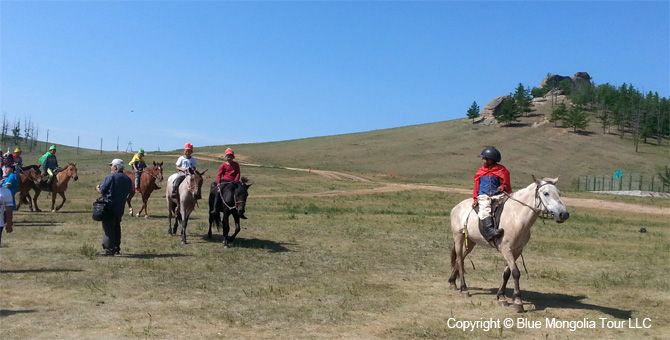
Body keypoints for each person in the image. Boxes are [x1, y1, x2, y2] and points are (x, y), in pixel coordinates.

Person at [471, 147, 512, 242]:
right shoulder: (480, 171)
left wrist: (503, 187)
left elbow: (506, 183)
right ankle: (490, 230)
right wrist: (475, 199)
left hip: (498, 195)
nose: (483, 160)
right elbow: (476, 186)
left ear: (491, 160)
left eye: (484, 159)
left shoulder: (501, 170)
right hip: (484, 195)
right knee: (485, 209)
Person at [95, 159, 132, 256]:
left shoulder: (111, 177)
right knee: (117, 226)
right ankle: (116, 247)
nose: (111, 167)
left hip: (109, 206)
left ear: (115, 167)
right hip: (120, 206)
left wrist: (97, 188)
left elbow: (102, 190)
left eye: (111, 165)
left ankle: (108, 249)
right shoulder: (127, 179)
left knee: (108, 228)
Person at [211, 148, 243, 215]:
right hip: (225, 181)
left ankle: (241, 209)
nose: (229, 157)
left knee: (241, 192)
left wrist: (236, 181)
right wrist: (219, 183)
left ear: (233, 157)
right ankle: (215, 208)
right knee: (218, 192)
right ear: (225, 157)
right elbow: (219, 175)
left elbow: (238, 173)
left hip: (234, 182)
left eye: (230, 155)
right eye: (228, 155)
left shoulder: (236, 164)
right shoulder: (223, 165)